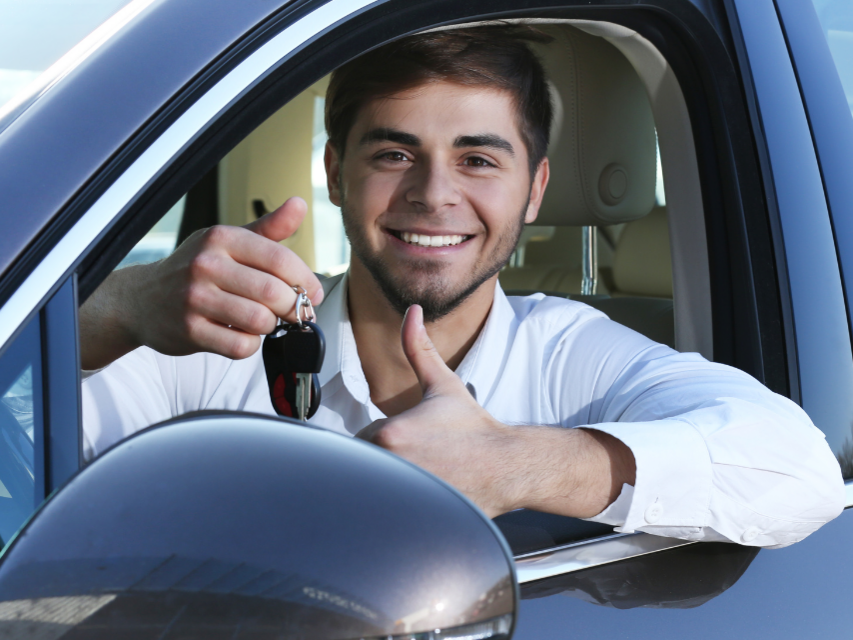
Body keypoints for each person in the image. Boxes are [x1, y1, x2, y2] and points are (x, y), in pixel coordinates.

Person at [80, 26, 843, 548]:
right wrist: (111, 310)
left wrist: (510, 465)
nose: (434, 194)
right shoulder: (219, 340)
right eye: (393, 154)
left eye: (478, 160)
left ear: (535, 190)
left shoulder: (569, 353)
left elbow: (798, 469)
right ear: (335, 175)